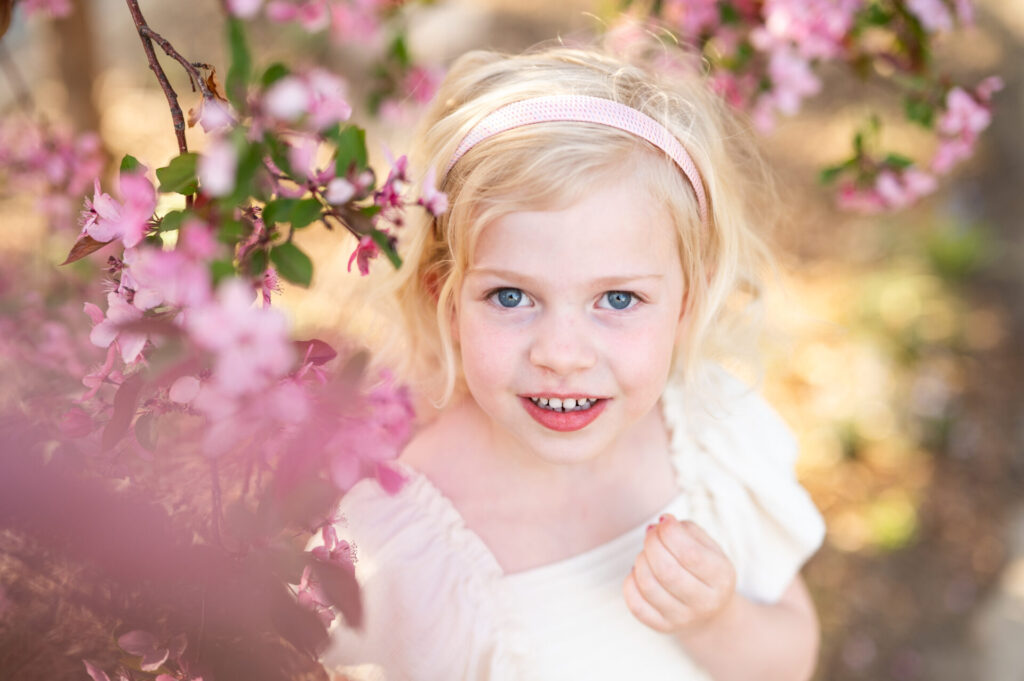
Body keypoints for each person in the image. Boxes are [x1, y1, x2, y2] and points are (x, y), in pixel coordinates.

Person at [319, 41, 827, 681]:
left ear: (686, 304)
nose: (561, 355)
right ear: (443, 299)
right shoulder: (400, 546)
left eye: (618, 298)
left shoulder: (713, 444)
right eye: (510, 296)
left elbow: (792, 661)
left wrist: (715, 621)